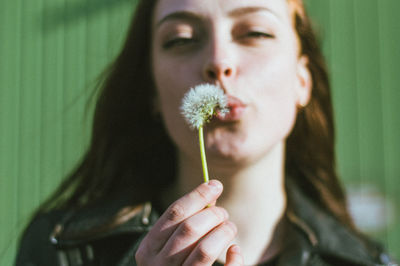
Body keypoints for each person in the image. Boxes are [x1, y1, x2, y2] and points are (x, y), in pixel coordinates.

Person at [15, 0, 396, 265]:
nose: (218, 61)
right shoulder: (61, 250)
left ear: (302, 80)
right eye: (181, 39)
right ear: (151, 89)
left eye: (255, 33)